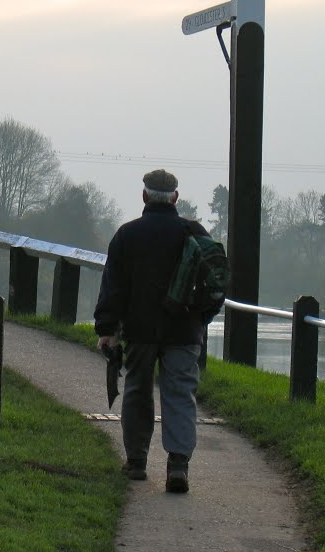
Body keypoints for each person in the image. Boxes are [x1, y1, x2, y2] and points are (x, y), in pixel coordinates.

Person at [93, 169, 220, 493]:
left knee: (137, 391)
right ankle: (178, 465)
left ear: (144, 196)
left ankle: (136, 462)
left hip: (140, 330)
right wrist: (201, 319)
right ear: (176, 198)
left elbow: (113, 287)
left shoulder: (127, 235)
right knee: (180, 395)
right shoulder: (194, 233)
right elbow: (216, 281)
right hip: (185, 330)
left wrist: (108, 329)